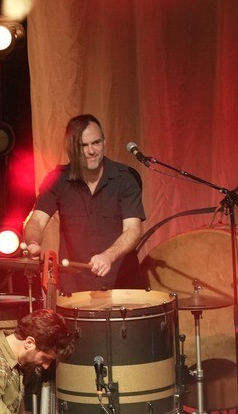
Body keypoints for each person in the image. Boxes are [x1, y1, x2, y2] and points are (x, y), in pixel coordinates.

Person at [19, 113, 148, 292]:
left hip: (122, 287)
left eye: (96, 143)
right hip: (76, 289)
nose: (91, 151)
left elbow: (132, 229)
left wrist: (109, 256)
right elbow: (37, 221)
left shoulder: (125, 178)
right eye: (83, 145)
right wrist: (33, 241)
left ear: (104, 141)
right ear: (71, 148)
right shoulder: (58, 180)